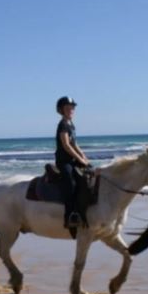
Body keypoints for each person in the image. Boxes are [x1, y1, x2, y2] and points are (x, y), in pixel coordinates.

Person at [55, 96, 91, 228]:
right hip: (64, 161)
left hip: (72, 160)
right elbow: (66, 145)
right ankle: (70, 216)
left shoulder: (71, 124)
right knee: (70, 182)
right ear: (61, 110)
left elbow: (74, 144)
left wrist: (83, 156)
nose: (71, 110)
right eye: (68, 108)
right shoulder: (63, 124)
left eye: (72, 108)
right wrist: (80, 159)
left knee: (89, 175)